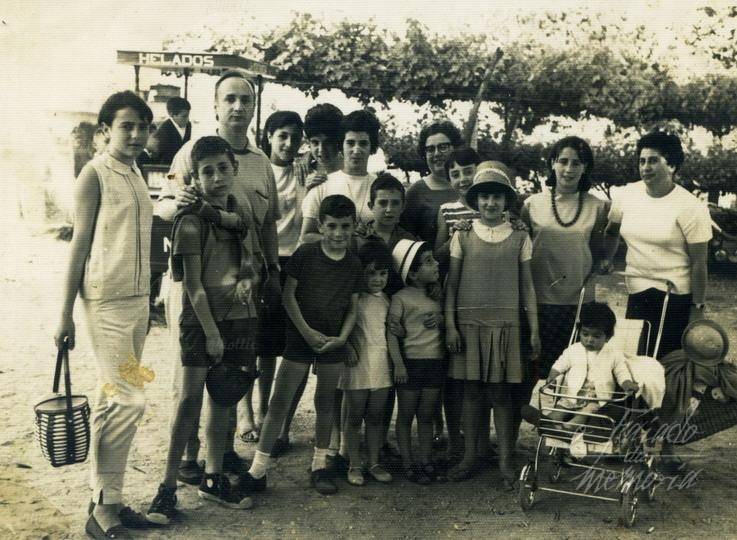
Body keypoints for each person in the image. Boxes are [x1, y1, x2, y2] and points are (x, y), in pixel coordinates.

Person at [156, 69, 280, 484]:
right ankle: (187, 458)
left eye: (245, 100)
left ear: (254, 107)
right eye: (230, 99)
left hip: (241, 286)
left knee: (231, 374)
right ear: (215, 105)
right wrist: (182, 201)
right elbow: (164, 207)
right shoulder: (190, 153)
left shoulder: (261, 162)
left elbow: (267, 222)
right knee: (190, 374)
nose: (238, 107)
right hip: (195, 283)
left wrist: (272, 270)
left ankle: (222, 454)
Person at [54, 91, 155, 539]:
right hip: (105, 304)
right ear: (104, 131)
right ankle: (103, 512)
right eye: (126, 126)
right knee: (130, 400)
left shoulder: (135, 172)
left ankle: (107, 499)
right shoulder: (94, 174)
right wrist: (65, 314)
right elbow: (78, 246)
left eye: (142, 127)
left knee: (111, 396)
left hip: (138, 304)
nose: (135, 134)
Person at [146, 137, 258, 524]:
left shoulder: (237, 210)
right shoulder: (190, 222)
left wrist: (247, 280)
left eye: (223, 168)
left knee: (223, 397)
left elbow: (250, 256)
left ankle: (213, 477)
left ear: (235, 169)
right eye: (207, 171)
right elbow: (193, 287)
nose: (217, 177)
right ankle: (166, 487)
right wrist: (211, 333)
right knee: (189, 400)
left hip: (237, 318)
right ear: (194, 178)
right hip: (202, 322)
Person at [238, 195, 361, 496]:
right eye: (332, 226)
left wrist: (342, 339)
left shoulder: (353, 263)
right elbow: (288, 296)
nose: (338, 233)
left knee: (325, 402)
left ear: (354, 226)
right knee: (280, 401)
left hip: (332, 341)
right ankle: (258, 470)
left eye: (345, 226)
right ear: (320, 225)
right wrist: (305, 331)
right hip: (300, 337)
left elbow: (353, 307)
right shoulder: (306, 253)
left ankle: (319, 466)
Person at [444, 164, 540, 488]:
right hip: (469, 325)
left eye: (497, 197)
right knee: (471, 393)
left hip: (505, 325)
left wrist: (534, 329)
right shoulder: (462, 234)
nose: (490, 203)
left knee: (501, 394)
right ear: (476, 200)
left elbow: (527, 287)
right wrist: (451, 326)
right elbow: (452, 286)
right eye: (484, 196)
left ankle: (505, 461)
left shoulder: (520, 235)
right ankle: (470, 456)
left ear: (506, 200)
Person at [265, 104, 345, 458]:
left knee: (335, 366)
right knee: (294, 358)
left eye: (328, 141)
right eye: (314, 142)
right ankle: (282, 428)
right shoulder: (308, 176)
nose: (321, 149)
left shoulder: (345, 177)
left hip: (340, 282)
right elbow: (301, 233)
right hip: (306, 276)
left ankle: (336, 442)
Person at [601, 130, 712, 359]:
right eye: (642, 161)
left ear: (671, 165)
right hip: (637, 292)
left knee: (668, 364)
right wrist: (607, 259)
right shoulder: (627, 195)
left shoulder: (690, 206)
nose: (645, 167)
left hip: (675, 296)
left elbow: (699, 263)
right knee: (634, 360)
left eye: (653, 161)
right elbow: (611, 232)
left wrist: (697, 308)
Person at [238, 111, 309, 445]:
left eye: (295, 137)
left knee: (270, 346)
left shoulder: (304, 172)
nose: (288, 143)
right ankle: (245, 413)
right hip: (258, 259)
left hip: (289, 262)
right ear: (268, 136)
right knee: (247, 342)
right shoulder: (258, 167)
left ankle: (265, 410)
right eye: (282, 135)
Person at [521, 136, 609, 378]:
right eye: (563, 161)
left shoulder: (597, 207)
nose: (569, 169)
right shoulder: (531, 204)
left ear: (585, 167)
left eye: (577, 163)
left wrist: (604, 263)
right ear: (552, 163)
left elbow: (598, 252)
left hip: (578, 303)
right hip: (538, 300)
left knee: (575, 374)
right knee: (534, 372)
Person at [521, 302, 638, 430]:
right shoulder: (573, 350)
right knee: (561, 408)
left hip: (595, 398)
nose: (589, 340)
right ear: (579, 331)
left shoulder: (614, 354)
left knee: (586, 412)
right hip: (572, 395)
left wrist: (627, 384)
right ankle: (547, 422)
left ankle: (567, 428)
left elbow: (622, 372)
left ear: (608, 337)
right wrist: (552, 377)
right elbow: (560, 365)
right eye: (585, 334)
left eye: (596, 336)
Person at [388, 239, 446, 484]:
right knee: (406, 414)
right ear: (412, 274)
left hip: (434, 363)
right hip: (411, 364)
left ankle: (425, 459)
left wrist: (441, 320)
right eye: (428, 262)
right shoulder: (400, 298)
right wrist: (399, 364)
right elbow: (392, 333)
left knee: (426, 414)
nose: (436, 264)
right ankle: (407, 462)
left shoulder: (437, 295)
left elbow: (445, 323)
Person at [338, 242, 395, 486]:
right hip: (357, 364)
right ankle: (354, 464)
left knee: (375, 416)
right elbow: (340, 326)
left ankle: (373, 462)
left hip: (381, 364)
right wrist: (347, 346)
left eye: (383, 273)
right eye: (371, 273)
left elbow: (391, 332)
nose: (377, 279)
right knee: (354, 416)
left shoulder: (388, 301)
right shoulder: (353, 299)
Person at [301, 109, 381, 238]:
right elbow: (306, 236)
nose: (356, 150)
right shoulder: (322, 185)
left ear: (372, 147)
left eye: (363, 143)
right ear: (341, 145)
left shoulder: (380, 186)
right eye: (350, 143)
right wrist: (345, 238)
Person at [400, 120, 463, 245]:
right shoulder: (415, 192)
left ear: (455, 148)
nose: (436, 154)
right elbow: (405, 238)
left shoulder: (468, 186)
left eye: (443, 147)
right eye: (430, 149)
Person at [434, 146, 482, 266]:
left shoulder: (495, 207)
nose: (463, 179)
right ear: (449, 180)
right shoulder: (446, 211)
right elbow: (437, 257)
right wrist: (454, 237)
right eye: (455, 175)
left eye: (468, 172)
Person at [147, 97, 192, 165]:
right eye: (184, 116)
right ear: (171, 114)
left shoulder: (188, 125)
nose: (187, 119)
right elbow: (158, 156)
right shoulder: (164, 131)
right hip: (166, 166)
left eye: (188, 116)